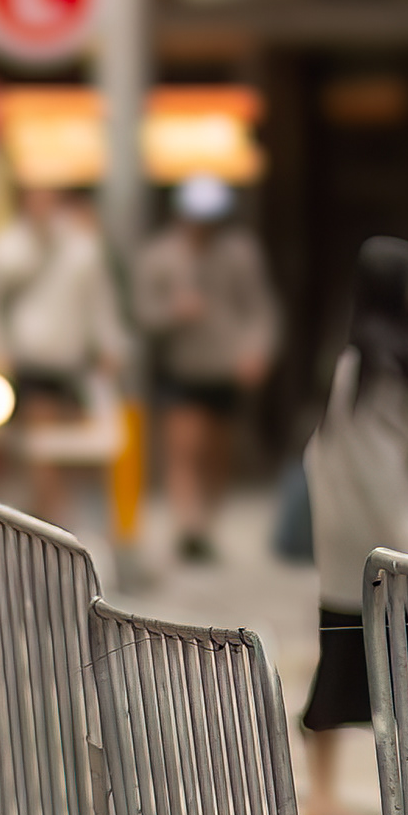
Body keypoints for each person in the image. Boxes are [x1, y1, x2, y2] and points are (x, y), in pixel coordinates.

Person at [300, 238, 408, 815]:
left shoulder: (349, 363)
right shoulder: (396, 364)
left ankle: (323, 794)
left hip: (347, 550)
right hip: (400, 546)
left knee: (342, 667)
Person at [0, 179, 131, 526]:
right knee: (40, 450)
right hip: (27, 366)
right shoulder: (6, 248)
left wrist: (111, 346)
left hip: (72, 367)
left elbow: (101, 305)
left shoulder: (82, 248)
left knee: (65, 455)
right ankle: (49, 524)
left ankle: (53, 522)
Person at [131, 174, 277, 563]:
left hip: (224, 367)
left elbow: (259, 309)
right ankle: (188, 524)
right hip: (182, 367)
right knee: (184, 445)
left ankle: (207, 523)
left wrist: (255, 351)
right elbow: (143, 313)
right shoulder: (161, 256)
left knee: (217, 449)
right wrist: (172, 313)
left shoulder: (239, 254)